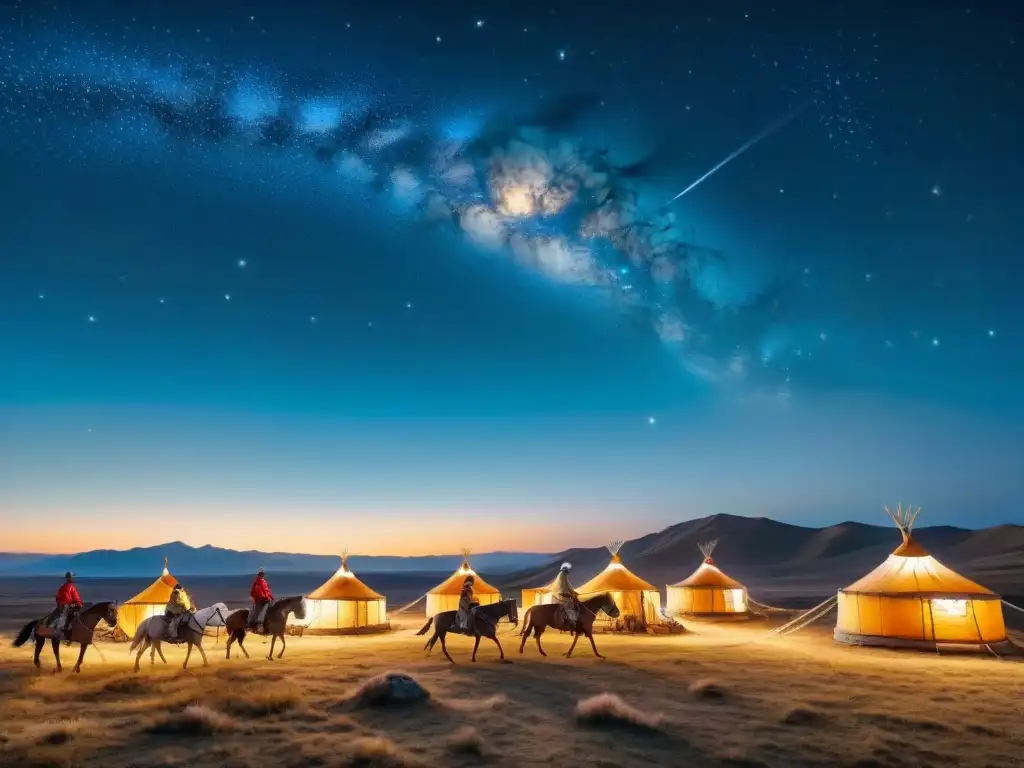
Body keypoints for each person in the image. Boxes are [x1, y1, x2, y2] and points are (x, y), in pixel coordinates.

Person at [45, 572, 83, 642]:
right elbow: (77, 598)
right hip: (68, 606)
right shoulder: (71, 587)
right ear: (70, 578)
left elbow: (57, 598)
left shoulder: (62, 587)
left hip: (61, 606)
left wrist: (60, 604)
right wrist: (79, 604)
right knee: (78, 617)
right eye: (73, 577)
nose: (74, 578)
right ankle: (72, 634)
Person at [552, 562, 579, 630]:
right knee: (571, 604)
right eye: (567, 571)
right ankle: (571, 621)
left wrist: (573, 592)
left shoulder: (562, 576)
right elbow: (563, 589)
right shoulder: (562, 577)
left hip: (560, 594)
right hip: (560, 596)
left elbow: (569, 587)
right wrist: (571, 595)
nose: (567, 573)